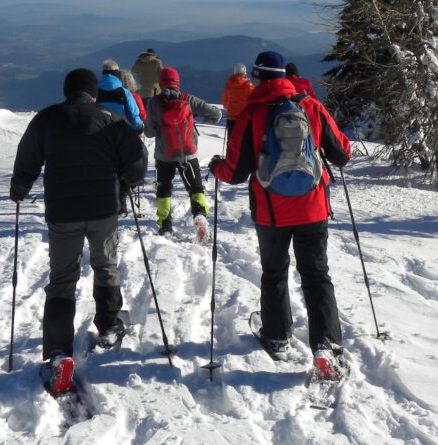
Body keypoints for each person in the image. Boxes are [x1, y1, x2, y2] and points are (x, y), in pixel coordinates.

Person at [208, 52, 351, 380]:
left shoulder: (252, 113)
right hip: (313, 207)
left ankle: (276, 335)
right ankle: (326, 345)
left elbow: (234, 172)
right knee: (316, 275)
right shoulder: (310, 106)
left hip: (271, 213)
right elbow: (342, 153)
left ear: (258, 78)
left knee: (274, 272)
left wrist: (216, 166)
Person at [10, 68, 148, 396]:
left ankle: (58, 352)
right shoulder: (110, 120)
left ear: (66, 91)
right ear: (94, 93)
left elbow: (27, 156)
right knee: (105, 265)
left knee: (62, 278)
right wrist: (128, 177)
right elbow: (137, 161)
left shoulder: (47, 119)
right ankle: (110, 326)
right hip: (104, 210)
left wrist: (20, 186)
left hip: (63, 212)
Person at [145, 67, 222, 239]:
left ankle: (165, 226)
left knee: (164, 189)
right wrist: (198, 120)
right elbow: (216, 113)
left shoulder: (154, 103)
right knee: (195, 188)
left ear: (161, 82)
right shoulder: (188, 99)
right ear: (177, 82)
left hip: (164, 156)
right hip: (188, 154)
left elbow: (149, 133)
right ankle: (200, 216)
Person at [97, 60, 144, 133]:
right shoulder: (124, 92)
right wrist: (139, 127)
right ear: (116, 73)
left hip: (98, 130)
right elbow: (132, 113)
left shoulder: (94, 91)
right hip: (119, 130)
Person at [221, 63, 254, 134]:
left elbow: (224, 103)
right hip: (243, 117)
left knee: (231, 139)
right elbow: (252, 101)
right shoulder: (248, 85)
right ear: (244, 73)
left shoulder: (228, 84)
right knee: (242, 140)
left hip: (230, 116)